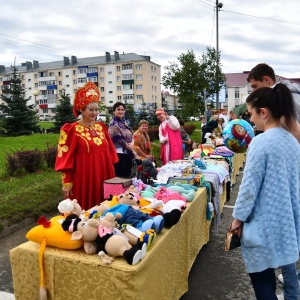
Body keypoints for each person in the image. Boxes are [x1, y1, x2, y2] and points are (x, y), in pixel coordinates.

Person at [230, 84, 300, 300]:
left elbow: (249, 188)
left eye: (251, 114)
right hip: (286, 220)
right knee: (277, 272)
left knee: (260, 276)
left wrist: (237, 219)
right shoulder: (292, 142)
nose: (250, 120)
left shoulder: (260, 143)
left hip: (262, 222)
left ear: (264, 112)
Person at [55, 82, 118, 210]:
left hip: (104, 173)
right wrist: (66, 181)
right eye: (91, 109)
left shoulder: (101, 127)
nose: (94, 113)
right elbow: (65, 157)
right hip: (84, 177)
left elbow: (110, 152)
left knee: (105, 208)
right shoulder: (72, 130)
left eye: (96, 109)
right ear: (82, 110)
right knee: (84, 210)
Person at [247, 63, 300, 143]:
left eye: (255, 86)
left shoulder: (283, 100)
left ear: (266, 80)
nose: (254, 91)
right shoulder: (287, 96)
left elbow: (296, 134)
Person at [109, 102, 137, 178]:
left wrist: (132, 143)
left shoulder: (124, 123)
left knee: (127, 177)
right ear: (113, 111)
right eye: (118, 109)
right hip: (119, 155)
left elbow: (132, 134)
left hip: (127, 154)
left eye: (122, 109)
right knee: (121, 178)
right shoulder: (113, 123)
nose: (121, 111)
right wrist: (131, 149)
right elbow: (118, 138)